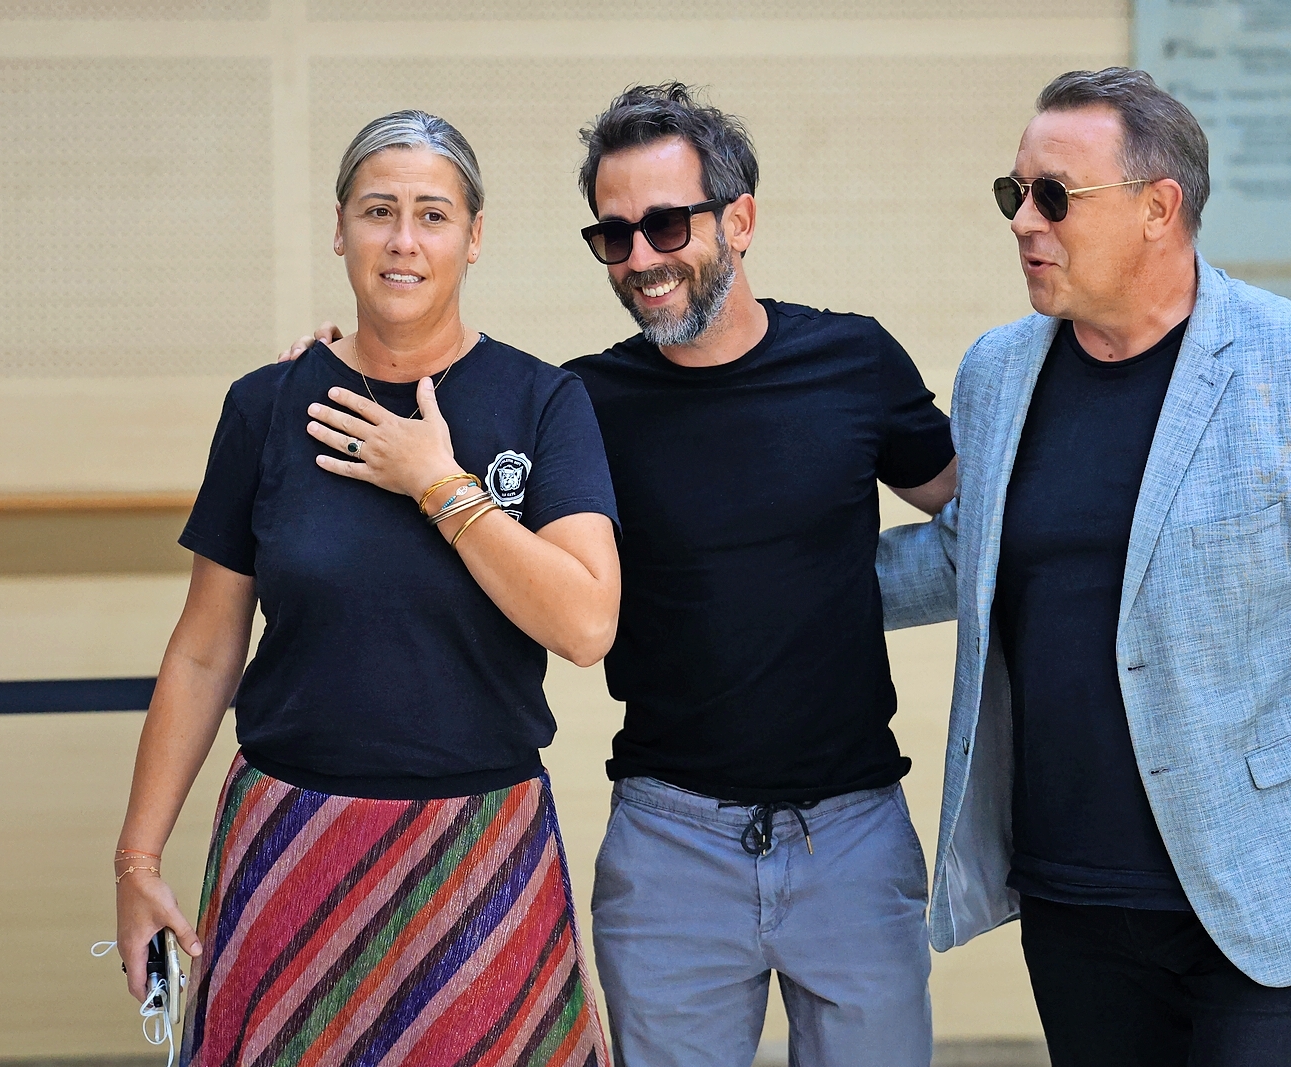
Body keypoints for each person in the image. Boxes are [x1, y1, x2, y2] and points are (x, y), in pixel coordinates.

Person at [286, 82, 957, 1067]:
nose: (639, 259)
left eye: (664, 225)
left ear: (741, 218)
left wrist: (849, 595)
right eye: (613, 235)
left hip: (853, 840)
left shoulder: (853, 362)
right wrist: (334, 375)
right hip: (668, 845)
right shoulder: (575, 403)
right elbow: (433, 474)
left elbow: (975, 524)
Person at [879, 67, 1291, 1067]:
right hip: (1071, 897)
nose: (1024, 220)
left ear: (1159, 208)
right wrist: (768, 582)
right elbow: (967, 550)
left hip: (1270, 900)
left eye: (1054, 196)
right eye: (1012, 194)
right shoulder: (997, 371)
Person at [114, 110, 618, 1066]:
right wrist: (137, 860)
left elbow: (587, 624)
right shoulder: (266, 404)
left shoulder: (542, 401)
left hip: (482, 853)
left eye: (434, 214)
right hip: (289, 841)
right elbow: (206, 647)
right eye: (378, 209)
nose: (403, 239)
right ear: (339, 228)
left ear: (475, 237)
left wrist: (438, 482)